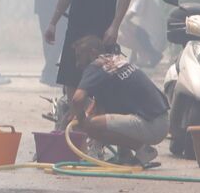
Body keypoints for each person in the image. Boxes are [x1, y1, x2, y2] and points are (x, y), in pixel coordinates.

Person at [63, 35, 169, 167]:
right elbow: (101, 108)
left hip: (151, 124)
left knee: (90, 124)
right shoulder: (115, 61)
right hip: (161, 121)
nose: (77, 63)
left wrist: (80, 120)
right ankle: (119, 154)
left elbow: (77, 99)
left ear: (92, 53)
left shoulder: (96, 66)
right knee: (98, 120)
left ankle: (144, 151)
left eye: (79, 56)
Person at [119, 0, 165, 68]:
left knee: (122, 24)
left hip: (153, 42)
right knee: (125, 31)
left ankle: (148, 55)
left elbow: (128, 16)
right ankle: (144, 56)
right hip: (154, 40)